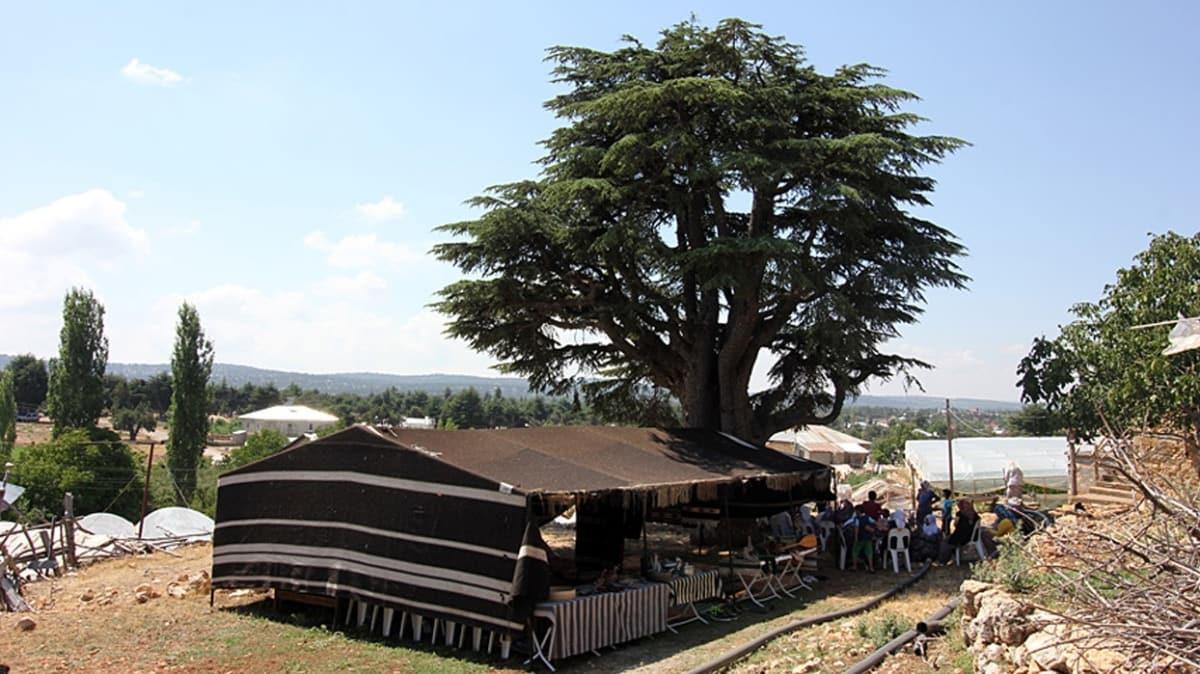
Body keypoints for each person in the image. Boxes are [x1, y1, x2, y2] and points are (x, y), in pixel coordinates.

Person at [846, 505, 876, 571]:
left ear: (858, 511)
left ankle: (854, 566)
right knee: (869, 553)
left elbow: (856, 528)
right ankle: (871, 568)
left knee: (855, 551)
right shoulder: (868, 517)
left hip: (860, 537)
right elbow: (874, 522)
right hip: (868, 538)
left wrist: (856, 538)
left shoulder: (857, 519)